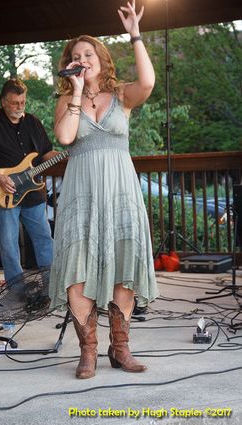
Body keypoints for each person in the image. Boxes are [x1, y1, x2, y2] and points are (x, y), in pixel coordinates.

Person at [49, 0, 159, 379]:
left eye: (88, 53)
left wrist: (135, 35)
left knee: (123, 265)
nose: (82, 58)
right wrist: (77, 92)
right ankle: (89, 352)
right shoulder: (66, 100)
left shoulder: (123, 95)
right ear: (70, 64)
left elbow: (148, 82)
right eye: (76, 55)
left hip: (119, 191)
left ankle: (121, 348)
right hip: (81, 193)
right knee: (77, 268)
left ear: (101, 59)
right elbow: (64, 137)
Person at [0, 78, 57, 282]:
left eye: (22, 102)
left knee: (44, 239)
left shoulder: (33, 122)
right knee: (9, 245)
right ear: (3, 101)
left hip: (33, 193)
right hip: (5, 193)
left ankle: (52, 287)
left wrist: (66, 155)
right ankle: (16, 291)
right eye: (14, 103)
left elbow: (46, 153)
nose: (20, 107)